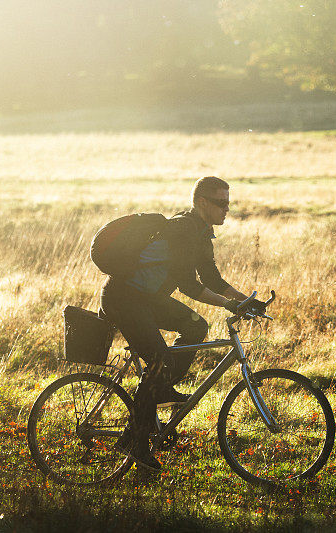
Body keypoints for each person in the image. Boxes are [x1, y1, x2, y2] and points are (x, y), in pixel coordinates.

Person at [101, 176, 257, 470]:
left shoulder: (201, 232)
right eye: (221, 203)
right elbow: (189, 285)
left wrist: (246, 300)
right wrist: (229, 304)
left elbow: (211, 278)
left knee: (196, 327)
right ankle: (133, 441)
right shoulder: (184, 230)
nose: (227, 209)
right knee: (160, 360)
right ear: (202, 203)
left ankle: (160, 389)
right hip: (125, 298)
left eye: (229, 202)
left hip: (147, 299)